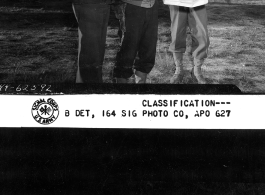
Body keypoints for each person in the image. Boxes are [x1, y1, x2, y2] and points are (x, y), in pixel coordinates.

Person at [163, 0, 210, 84]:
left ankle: (197, 71)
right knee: (177, 33)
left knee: (201, 33)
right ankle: (178, 70)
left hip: (197, 1)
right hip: (176, 1)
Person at [112, 0, 158, 84]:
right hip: (131, 5)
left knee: (148, 49)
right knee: (127, 50)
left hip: (151, 7)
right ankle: (121, 91)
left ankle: (140, 87)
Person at [72, 0, 113, 83]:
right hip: (89, 4)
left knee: (97, 53)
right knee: (91, 52)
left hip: (102, 4)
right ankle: (88, 90)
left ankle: (93, 88)